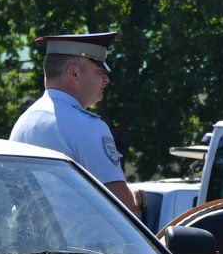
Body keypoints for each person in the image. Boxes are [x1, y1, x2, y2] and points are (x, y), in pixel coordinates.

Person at [10, 31, 146, 219]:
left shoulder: (24, 122)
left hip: (31, 235)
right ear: (73, 73)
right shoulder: (87, 126)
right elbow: (120, 201)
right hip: (80, 237)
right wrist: (137, 198)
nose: (106, 80)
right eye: (100, 72)